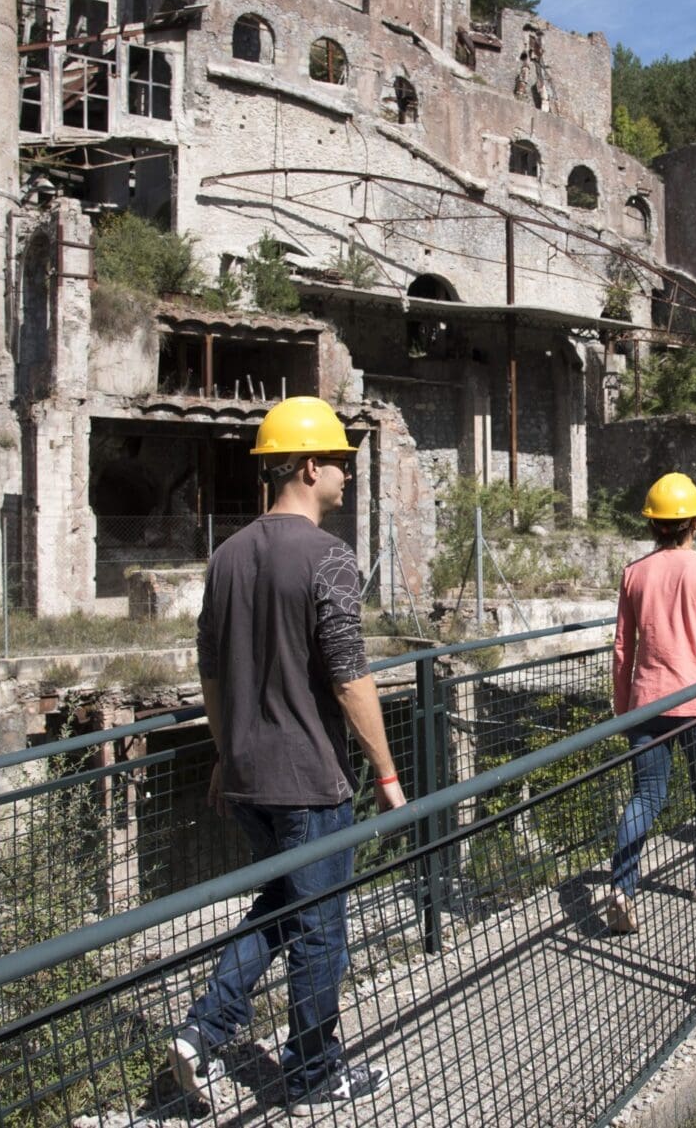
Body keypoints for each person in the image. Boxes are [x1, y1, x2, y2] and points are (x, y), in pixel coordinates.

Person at [170, 396, 405, 1116]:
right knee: (319, 929)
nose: (346, 475)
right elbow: (349, 676)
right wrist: (389, 774)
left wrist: (223, 751)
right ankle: (310, 1079)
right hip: (309, 781)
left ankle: (203, 1031)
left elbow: (211, 672)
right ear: (310, 465)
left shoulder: (227, 555)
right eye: (340, 462)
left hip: (246, 776)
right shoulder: (330, 557)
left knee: (282, 904)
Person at [603, 472, 696, 936]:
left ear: (653, 525)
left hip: (645, 702)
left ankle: (622, 889)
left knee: (646, 796)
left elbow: (623, 648)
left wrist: (624, 709)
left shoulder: (633, 574)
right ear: (694, 523)